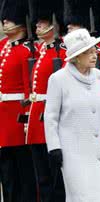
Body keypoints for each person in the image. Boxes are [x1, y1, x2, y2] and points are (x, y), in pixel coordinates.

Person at [44, 28, 100, 202]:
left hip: (96, 152)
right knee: (81, 197)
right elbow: (51, 117)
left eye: (94, 50)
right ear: (76, 57)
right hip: (71, 153)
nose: (94, 55)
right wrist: (54, 147)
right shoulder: (58, 79)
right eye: (88, 52)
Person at [25, 0, 67, 201]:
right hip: (36, 120)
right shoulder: (40, 52)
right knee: (43, 178)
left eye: (43, 22)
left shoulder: (63, 53)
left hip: (52, 121)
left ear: (54, 23)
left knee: (57, 178)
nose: (37, 26)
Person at [0, 0, 38, 201]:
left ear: (22, 24)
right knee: (7, 173)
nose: (5, 23)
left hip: (17, 120)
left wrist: (27, 119)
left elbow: (29, 89)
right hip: (3, 120)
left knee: (24, 173)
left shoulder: (27, 51)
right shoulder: (2, 47)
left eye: (10, 20)